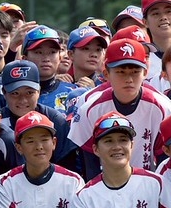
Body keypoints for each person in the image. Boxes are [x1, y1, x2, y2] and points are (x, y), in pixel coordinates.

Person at [69, 38, 171, 178]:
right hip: (104, 185)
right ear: (106, 74)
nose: (129, 79)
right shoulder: (90, 108)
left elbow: (164, 160)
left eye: (135, 72)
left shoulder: (163, 107)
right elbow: (90, 163)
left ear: (145, 73)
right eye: (121, 72)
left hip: (149, 185)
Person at [21, 26, 79, 113]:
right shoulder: (13, 94)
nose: (46, 58)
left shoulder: (74, 93)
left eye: (52, 52)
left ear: (59, 57)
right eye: (38, 52)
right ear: (25, 59)